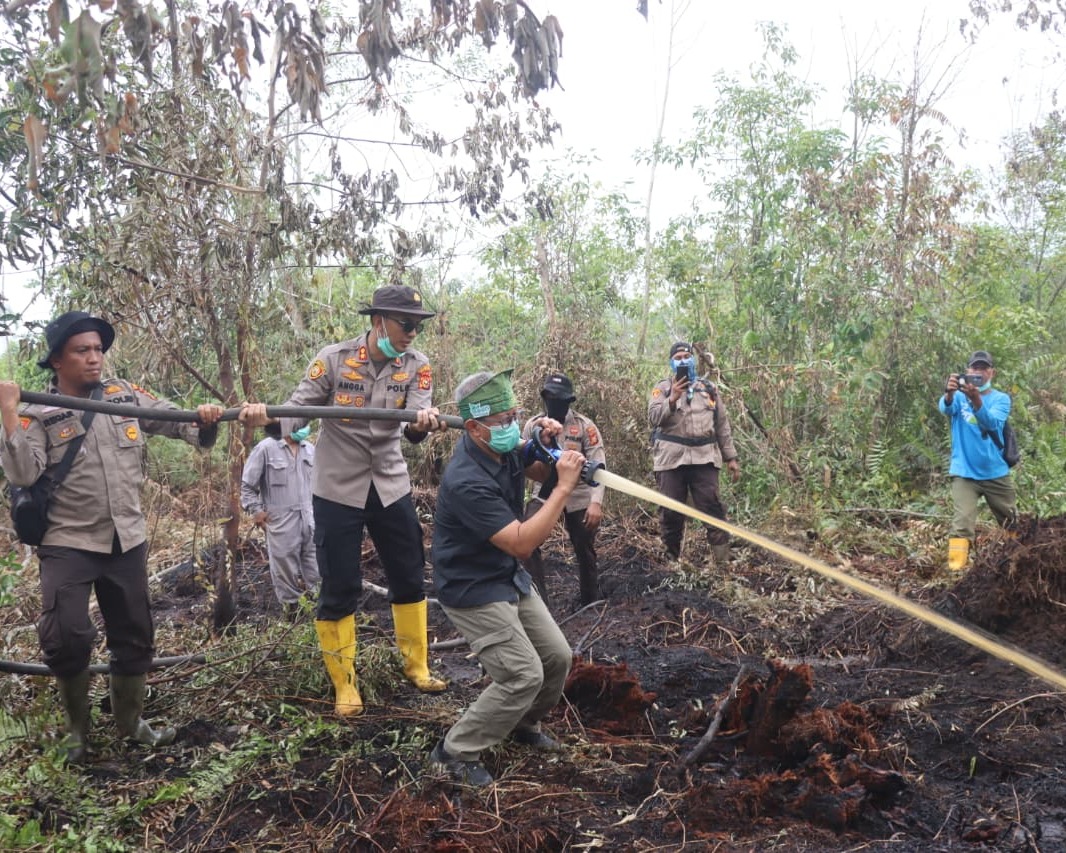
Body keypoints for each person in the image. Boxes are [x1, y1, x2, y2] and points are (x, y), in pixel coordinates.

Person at [0, 311, 225, 762]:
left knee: (134, 633)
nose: (94, 359)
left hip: (126, 538)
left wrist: (203, 419)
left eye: (98, 350)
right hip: (68, 540)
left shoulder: (122, 395)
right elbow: (23, 473)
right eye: (82, 351)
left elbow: (172, 420)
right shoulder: (37, 412)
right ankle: (77, 734)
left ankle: (130, 724)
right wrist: (7, 416)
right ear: (57, 361)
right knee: (66, 634)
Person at [243, 284, 448, 717]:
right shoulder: (334, 359)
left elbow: (413, 427)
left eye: (417, 326)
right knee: (338, 584)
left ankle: (417, 666)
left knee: (409, 573)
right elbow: (298, 408)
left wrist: (423, 425)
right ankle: (345, 685)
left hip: (390, 483)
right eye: (405, 324)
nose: (412, 333)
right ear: (378, 322)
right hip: (337, 487)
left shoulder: (417, 365)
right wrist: (270, 417)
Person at [428, 369, 584, 787]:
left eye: (515, 415)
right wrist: (563, 490)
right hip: (472, 587)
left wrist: (543, 442)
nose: (511, 427)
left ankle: (521, 722)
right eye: (503, 421)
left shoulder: (504, 447)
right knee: (522, 673)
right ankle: (454, 751)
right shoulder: (465, 480)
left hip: (506, 576)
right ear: (475, 428)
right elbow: (521, 544)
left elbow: (533, 466)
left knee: (556, 658)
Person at [648, 342, 740, 566]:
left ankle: (722, 563)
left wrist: (731, 458)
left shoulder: (708, 389)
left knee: (713, 509)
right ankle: (671, 561)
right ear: (671, 362)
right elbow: (653, 418)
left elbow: (722, 425)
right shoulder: (662, 389)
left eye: (686, 356)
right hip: (671, 460)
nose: (682, 360)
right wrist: (672, 398)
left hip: (704, 459)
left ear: (693, 359)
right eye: (677, 357)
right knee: (671, 512)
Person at [520, 372, 606, 607]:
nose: (554, 403)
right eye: (550, 397)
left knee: (584, 545)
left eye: (560, 399)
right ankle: (539, 602)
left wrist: (595, 503)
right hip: (544, 490)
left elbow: (599, 467)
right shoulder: (533, 426)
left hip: (578, 493)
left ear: (569, 401)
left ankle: (590, 601)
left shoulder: (584, 426)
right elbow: (521, 461)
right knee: (527, 543)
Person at [938, 350, 1017, 570]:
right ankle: (955, 573)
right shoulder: (959, 397)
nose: (978, 373)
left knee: (1011, 521)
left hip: (995, 472)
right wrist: (949, 394)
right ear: (967, 372)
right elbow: (945, 408)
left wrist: (976, 400)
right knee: (961, 525)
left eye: (983, 368)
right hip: (964, 472)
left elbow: (992, 424)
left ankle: (1020, 563)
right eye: (974, 368)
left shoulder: (1001, 399)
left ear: (992, 372)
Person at [240, 421, 319, 616]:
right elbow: (247, 486)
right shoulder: (266, 448)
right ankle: (292, 613)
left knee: (317, 567)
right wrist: (256, 511)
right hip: (281, 520)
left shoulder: (310, 449)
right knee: (284, 569)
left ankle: (319, 610)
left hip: (310, 518)